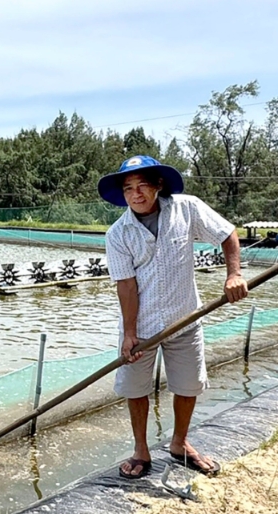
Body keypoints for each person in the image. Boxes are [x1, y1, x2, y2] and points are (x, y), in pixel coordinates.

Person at [99, 155, 248, 479]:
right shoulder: (118, 233)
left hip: (186, 317)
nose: (136, 194)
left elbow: (227, 233)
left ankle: (180, 443)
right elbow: (126, 285)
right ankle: (141, 450)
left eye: (142, 186)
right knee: (135, 387)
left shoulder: (187, 208)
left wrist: (233, 275)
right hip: (143, 328)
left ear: (158, 186)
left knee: (189, 384)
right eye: (128, 189)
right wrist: (130, 334)